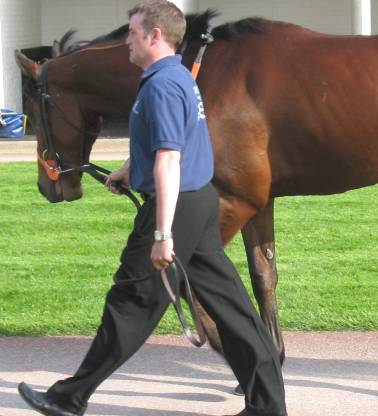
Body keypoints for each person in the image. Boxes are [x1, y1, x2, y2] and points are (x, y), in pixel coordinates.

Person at [17, 1, 287, 415]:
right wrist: (131, 169)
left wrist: (162, 234)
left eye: (133, 32)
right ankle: (268, 406)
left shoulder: (161, 85)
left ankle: (68, 398)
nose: (126, 40)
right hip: (196, 203)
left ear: (155, 36)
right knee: (231, 306)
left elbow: (170, 159)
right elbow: (176, 138)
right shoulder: (176, 76)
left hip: (175, 208)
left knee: (131, 303)